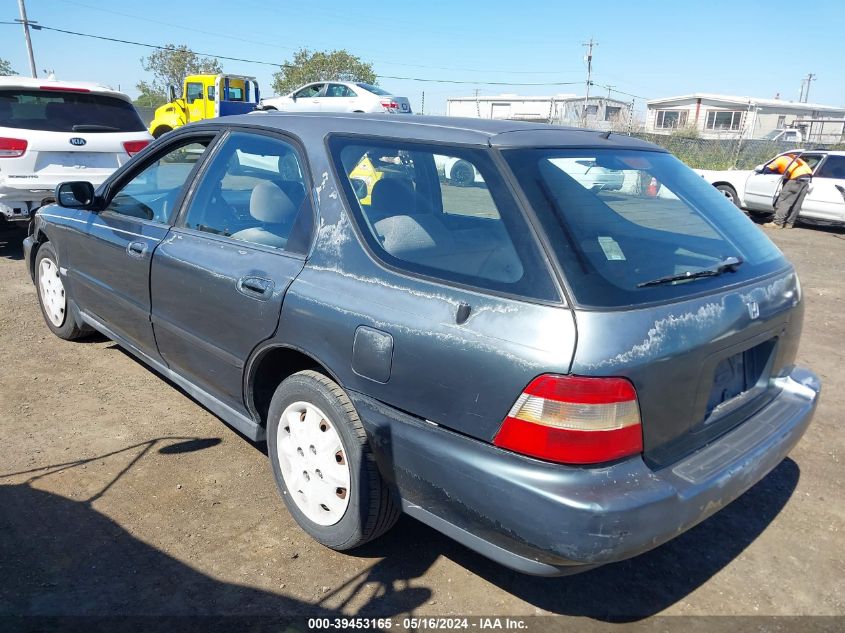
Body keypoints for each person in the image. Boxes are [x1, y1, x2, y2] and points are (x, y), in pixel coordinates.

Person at [761, 153, 813, 229]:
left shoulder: (780, 159)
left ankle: (777, 223)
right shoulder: (795, 158)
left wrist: (778, 172)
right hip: (806, 179)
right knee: (796, 203)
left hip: (796, 178)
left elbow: (767, 170)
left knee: (784, 201)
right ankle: (789, 223)